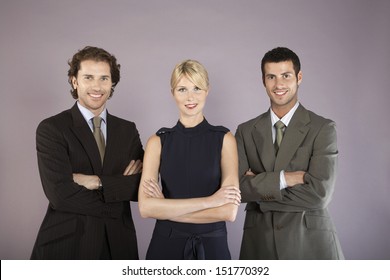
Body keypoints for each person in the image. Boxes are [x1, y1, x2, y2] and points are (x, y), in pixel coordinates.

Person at [31, 46, 144, 259]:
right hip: (67, 246)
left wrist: (98, 182)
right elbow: (60, 195)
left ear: (112, 83)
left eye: (104, 78)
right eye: (88, 77)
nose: (97, 86)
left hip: (119, 246)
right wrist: (116, 197)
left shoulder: (127, 130)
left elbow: (142, 186)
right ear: (74, 81)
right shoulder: (52, 128)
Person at [235, 47, 344, 259]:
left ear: (299, 77)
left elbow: (319, 194)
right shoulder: (245, 131)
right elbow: (236, 189)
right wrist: (286, 178)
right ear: (263, 81)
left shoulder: (323, 128)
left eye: (286, 75)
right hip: (259, 243)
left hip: (310, 244)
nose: (279, 85)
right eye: (271, 77)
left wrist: (260, 191)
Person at [138, 59, 241, 260]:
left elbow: (228, 212)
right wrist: (211, 202)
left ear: (207, 91)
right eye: (182, 89)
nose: (190, 97)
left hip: (213, 245)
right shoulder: (157, 141)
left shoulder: (225, 139)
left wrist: (165, 209)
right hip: (165, 245)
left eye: (197, 88)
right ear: (172, 93)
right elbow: (145, 208)